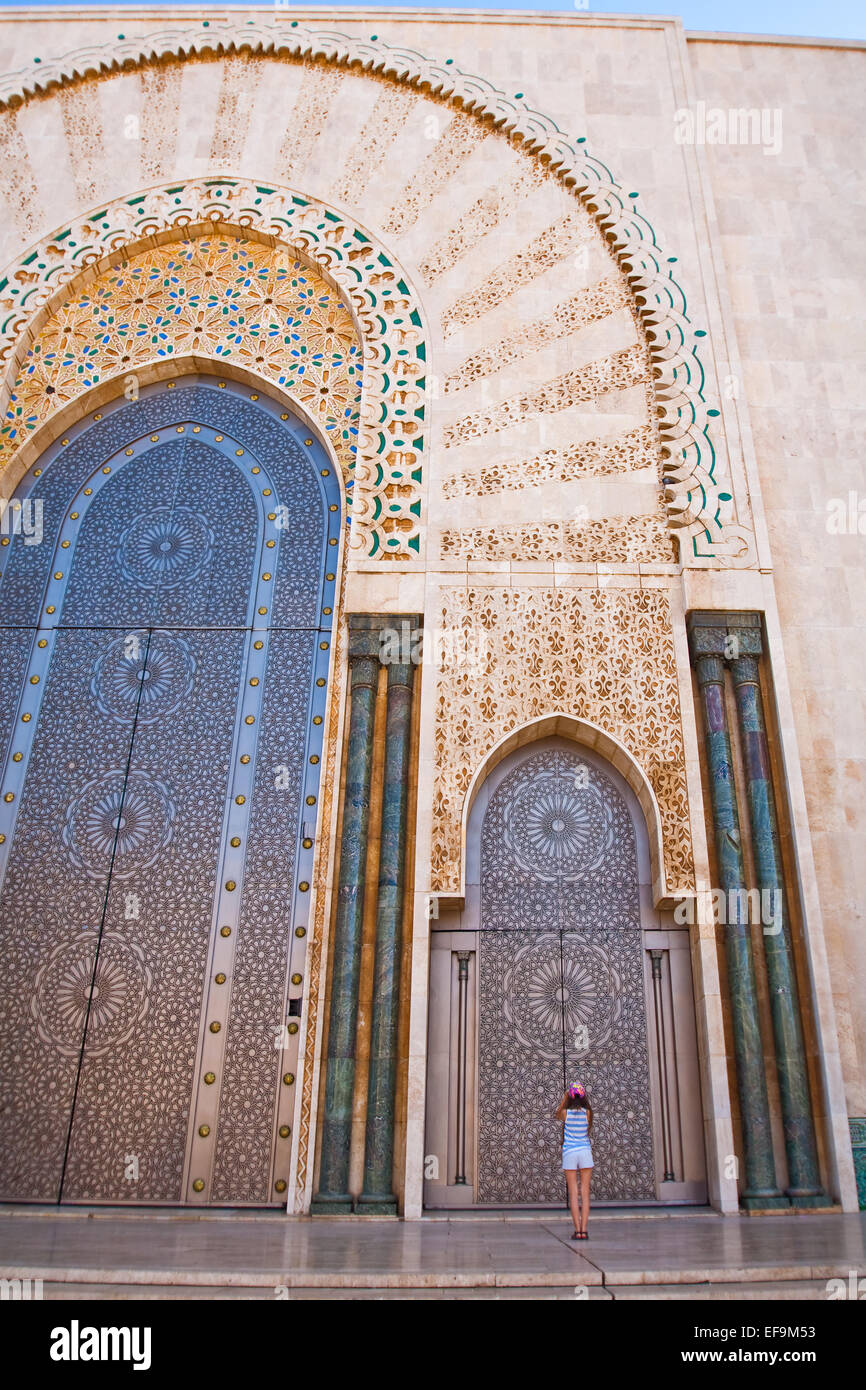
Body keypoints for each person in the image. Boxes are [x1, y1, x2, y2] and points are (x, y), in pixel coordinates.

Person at [555, 1081, 593, 1240]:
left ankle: (577, 1230)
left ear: (569, 1096)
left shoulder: (565, 1113)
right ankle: (584, 1230)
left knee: (573, 1192)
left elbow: (557, 1113)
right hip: (584, 1151)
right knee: (585, 1193)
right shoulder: (587, 1113)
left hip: (570, 1152)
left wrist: (566, 1098)